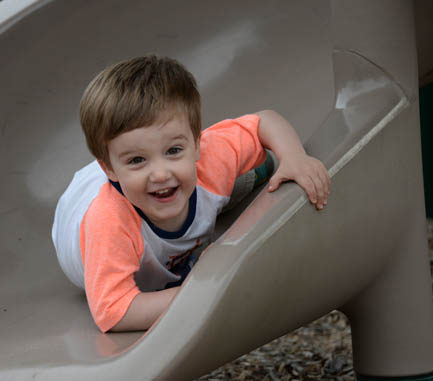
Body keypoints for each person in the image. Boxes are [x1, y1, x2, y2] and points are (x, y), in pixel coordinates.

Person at [52, 55, 330, 333]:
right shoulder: (108, 223)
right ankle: (229, 179)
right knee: (183, 185)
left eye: (173, 151)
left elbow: (263, 121)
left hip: (171, 180)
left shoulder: (208, 155)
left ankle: (243, 175)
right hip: (82, 218)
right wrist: (199, 288)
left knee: (206, 179)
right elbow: (114, 312)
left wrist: (294, 156)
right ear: (109, 169)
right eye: (137, 160)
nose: (160, 172)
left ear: (196, 144)